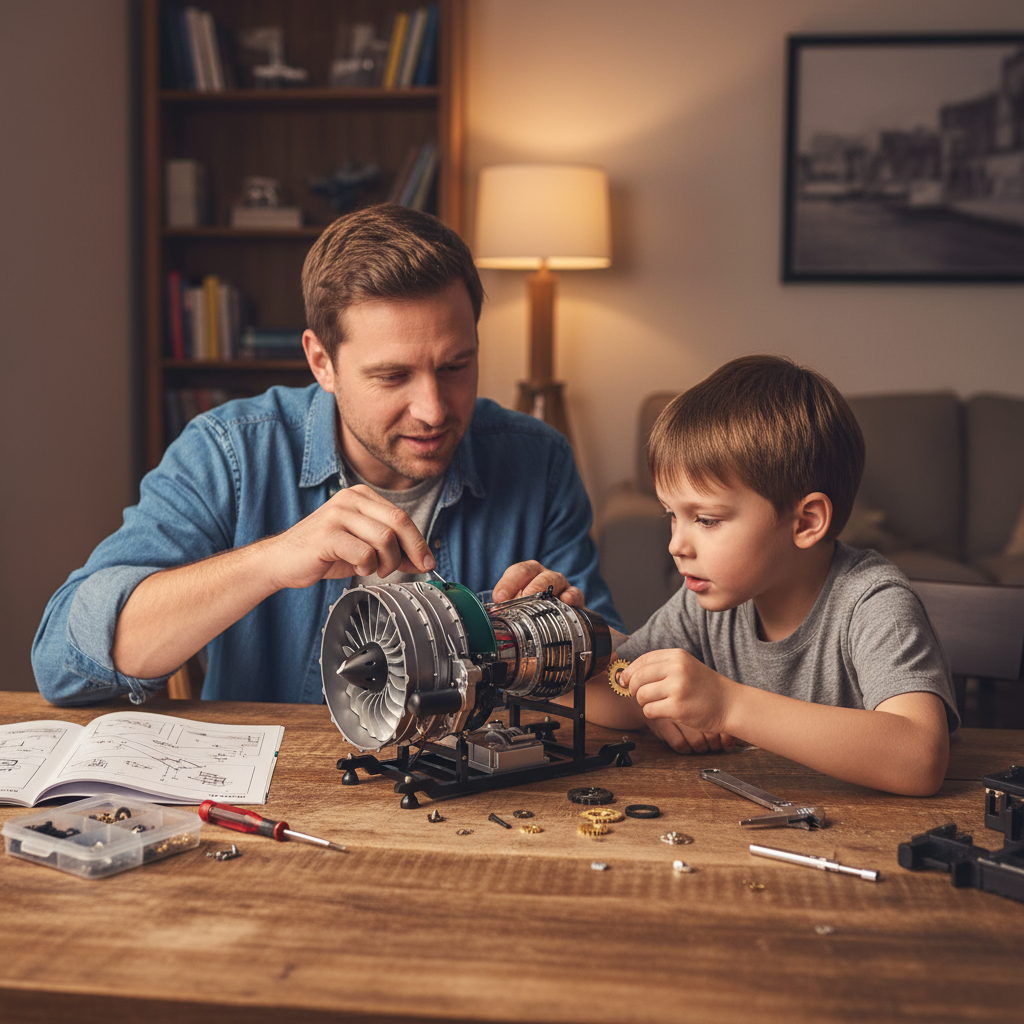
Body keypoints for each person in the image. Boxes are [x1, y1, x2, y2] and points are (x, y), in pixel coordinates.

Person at [33, 204, 622, 707]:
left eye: (455, 366)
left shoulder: (538, 459)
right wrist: (270, 562)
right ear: (322, 363)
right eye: (393, 376)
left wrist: (564, 635)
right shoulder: (229, 452)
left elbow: (614, 674)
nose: (434, 409)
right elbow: (62, 660)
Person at [579, 355, 958, 796]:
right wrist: (544, 655)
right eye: (672, 516)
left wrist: (726, 705)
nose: (676, 545)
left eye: (706, 519)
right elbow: (616, 690)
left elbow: (920, 759)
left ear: (805, 522)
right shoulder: (707, 599)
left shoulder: (873, 604)